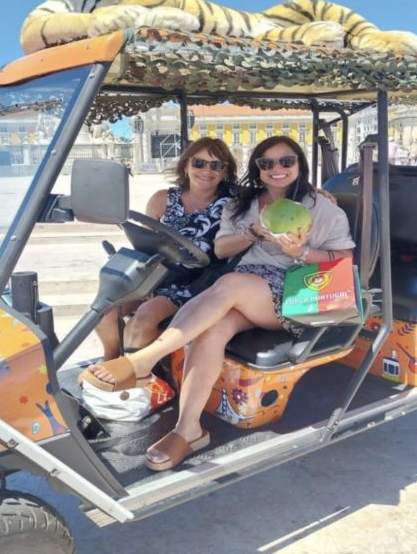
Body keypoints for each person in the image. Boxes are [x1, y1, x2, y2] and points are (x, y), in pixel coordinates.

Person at [81, 135, 355, 470]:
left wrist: (301, 252)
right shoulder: (242, 204)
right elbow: (222, 249)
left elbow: (342, 259)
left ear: (300, 164)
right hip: (244, 291)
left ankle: (142, 362)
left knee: (229, 283)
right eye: (267, 163)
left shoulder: (322, 207)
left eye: (287, 161)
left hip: (294, 290)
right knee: (213, 330)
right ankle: (189, 430)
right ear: (258, 169)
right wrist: (253, 232)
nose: (277, 169)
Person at [86, 136, 238, 374]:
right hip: (156, 275)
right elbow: (146, 244)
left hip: (198, 284)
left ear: (225, 171)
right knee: (105, 311)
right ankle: (112, 361)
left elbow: (273, 193)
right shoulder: (163, 199)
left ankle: (132, 375)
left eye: (216, 165)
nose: (207, 171)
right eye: (199, 163)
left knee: (144, 316)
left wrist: (316, 193)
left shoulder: (233, 202)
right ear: (186, 165)